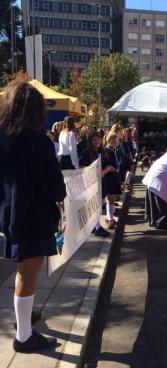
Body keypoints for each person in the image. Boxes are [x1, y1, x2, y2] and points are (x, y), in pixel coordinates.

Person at [0, 82, 66, 352]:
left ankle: (24, 316)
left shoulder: (2, 138)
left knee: (23, 271)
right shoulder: (38, 144)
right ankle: (24, 336)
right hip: (34, 216)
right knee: (28, 273)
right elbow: (55, 188)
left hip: (9, 212)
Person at [79, 132, 113, 238]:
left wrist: (104, 171)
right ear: (90, 141)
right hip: (90, 182)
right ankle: (97, 227)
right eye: (94, 140)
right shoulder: (86, 152)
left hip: (101, 181)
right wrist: (91, 171)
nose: (97, 142)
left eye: (98, 140)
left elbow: (109, 165)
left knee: (99, 204)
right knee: (94, 204)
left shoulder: (103, 151)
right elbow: (81, 166)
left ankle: (96, 226)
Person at [104, 132, 122, 229]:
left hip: (114, 176)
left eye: (117, 141)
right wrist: (114, 168)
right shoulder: (108, 150)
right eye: (114, 141)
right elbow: (109, 165)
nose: (116, 143)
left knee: (111, 198)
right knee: (110, 198)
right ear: (109, 141)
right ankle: (110, 219)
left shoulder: (113, 150)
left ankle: (109, 217)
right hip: (110, 177)